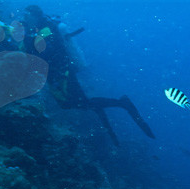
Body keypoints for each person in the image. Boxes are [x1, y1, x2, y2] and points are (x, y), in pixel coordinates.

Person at [22, 5, 155, 146]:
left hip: (63, 71)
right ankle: (104, 108)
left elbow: (45, 51)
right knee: (68, 103)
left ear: (35, 15)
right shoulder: (39, 28)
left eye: (27, 15)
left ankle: (122, 103)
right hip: (57, 72)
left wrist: (28, 42)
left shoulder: (46, 29)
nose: (24, 18)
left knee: (76, 102)